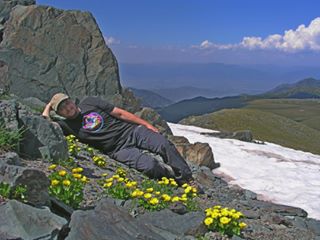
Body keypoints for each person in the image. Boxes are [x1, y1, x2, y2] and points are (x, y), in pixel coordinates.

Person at [42, 93, 196, 186]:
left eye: (67, 102)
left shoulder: (90, 102)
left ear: (71, 100)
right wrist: (49, 106)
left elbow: (120, 114)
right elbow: (43, 124)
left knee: (163, 144)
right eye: (62, 108)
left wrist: (147, 124)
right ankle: (169, 174)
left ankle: (187, 179)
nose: (68, 108)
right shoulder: (67, 126)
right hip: (117, 150)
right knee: (150, 166)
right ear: (60, 113)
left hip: (131, 131)